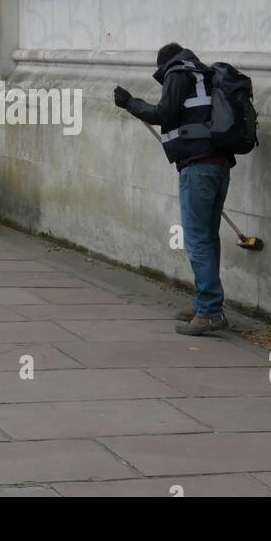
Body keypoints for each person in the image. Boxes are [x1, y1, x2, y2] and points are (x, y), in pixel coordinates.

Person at [114, 43, 235, 337]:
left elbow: (164, 113)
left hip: (197, 168)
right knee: (208, 237)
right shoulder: (203, 73)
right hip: (219, 165)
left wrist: (130, 103)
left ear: (164, 64)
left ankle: (209, 312)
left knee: (196, 240)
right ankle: (206, 304)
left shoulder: (177, 73)